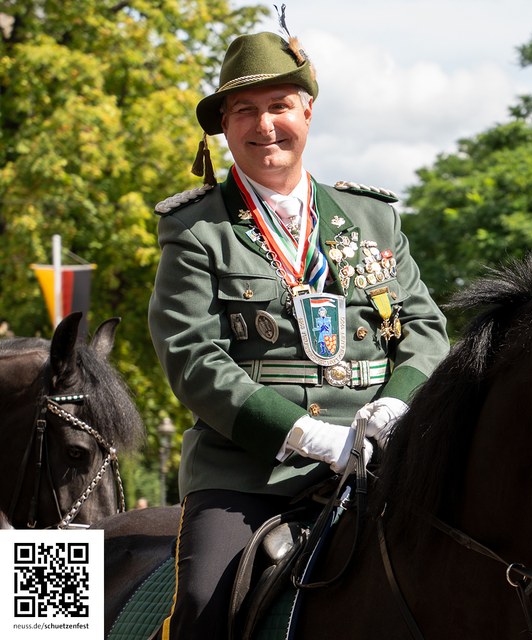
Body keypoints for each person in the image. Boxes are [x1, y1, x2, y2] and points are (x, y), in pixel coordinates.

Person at [148, 30, 450, 639]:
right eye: (244, 111)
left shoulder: (373, 217)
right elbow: (193, 357)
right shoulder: (196, 227)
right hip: (250, 475)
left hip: (381, 465)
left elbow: (425, 329)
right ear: (224, 129)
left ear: (307, 112)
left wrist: (394, 406)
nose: (265, 125)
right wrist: (307, 435)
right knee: (207, 605)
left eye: (280, 105)